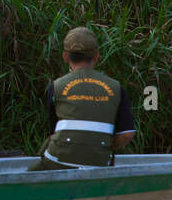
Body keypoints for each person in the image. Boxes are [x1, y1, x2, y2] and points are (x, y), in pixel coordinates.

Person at [30, 26, 136, 170]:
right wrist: (100, 146)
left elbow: (53, 129)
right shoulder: (116, 88)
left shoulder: (56, 86)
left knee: (31, 173)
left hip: (58, 160)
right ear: (96, 56)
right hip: (100, 162)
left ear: (65, 56)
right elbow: (126, 135)